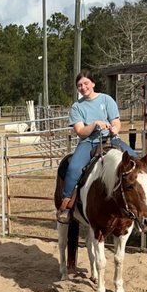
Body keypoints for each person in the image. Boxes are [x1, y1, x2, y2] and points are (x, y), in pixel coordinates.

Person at [57, 69, 138, 222]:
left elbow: (116, 121)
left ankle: (146, 198)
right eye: (79, 85)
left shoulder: (106, 100)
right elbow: (81, 131)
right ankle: (66, 203)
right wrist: (94, 124)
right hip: (89, 142)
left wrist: (115, 129)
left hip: (111, 139)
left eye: (86, 83)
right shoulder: (76, 107)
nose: (83, 87)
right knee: (74, 168)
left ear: (93, 83)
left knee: (136, 161)